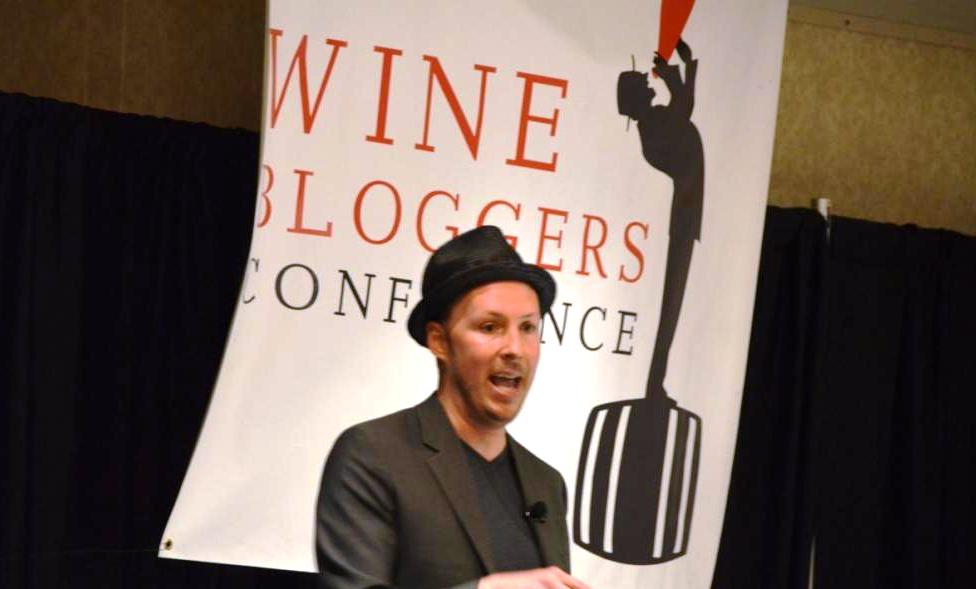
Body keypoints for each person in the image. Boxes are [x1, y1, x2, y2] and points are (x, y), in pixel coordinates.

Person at [315, 226, 590, 589]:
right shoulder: (373, 454)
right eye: (490, 327)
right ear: (439, 341)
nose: (515, 348)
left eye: (528, 328)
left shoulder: (547, 483)